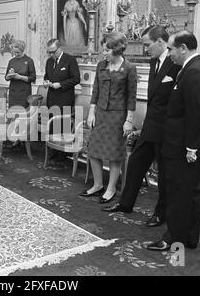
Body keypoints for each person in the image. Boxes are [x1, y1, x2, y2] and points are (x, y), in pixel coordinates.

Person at [102, 26, 181, 228]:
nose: (146, 49)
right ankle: (125, 203)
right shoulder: (155, 61)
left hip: (165, 129)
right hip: (150, 126)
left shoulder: (176, 63)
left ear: (160, 42)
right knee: (136, 163)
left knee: (163, 174)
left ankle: (160, 213)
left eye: (147, 45)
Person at [146, 31, 200, 251]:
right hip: (186, 144)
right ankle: (189, 238)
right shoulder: (196, 67)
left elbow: (196, 114)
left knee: (179, 193)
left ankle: (173, 238)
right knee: (191, 193)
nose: (170, 53)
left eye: (172, 49)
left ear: (183, 48)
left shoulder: (194, 72)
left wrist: (191, 148)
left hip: (185, 147)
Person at [80, 32, 137, 203]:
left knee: (114, 154)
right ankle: (98, 185)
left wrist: (129, 120)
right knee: (93, 151)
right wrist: (91, 113)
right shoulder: (101, 65)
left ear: (117, 50)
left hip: (118, 117)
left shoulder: (129, 68)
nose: (103, 53)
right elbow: (95, 90)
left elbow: (131, 97)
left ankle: (111, 188)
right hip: (100, 114)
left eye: (106, 50)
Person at [43, 39, 80, 158]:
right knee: (53, 125)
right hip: (52, 98)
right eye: (49, 52)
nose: (51, 55)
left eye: (53, 52)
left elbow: (76, 79)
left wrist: (61, 84)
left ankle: (63, 154)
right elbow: (46, 76)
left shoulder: (70, 60)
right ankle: (53, 151)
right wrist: (46, 82)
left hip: (65, 98)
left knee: (63, 126)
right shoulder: (49, 61)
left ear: (59, 49)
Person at [5, 40, 36, 109]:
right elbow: (6, 78)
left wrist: (20, 77)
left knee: (23, 114)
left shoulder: (29, 61)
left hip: (24, 93)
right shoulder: (11, 61)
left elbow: (33, 78)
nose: (16, 54)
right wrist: (9, 75)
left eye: (18, 52)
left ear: (22, 50)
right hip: (13, 92)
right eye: (14, 52)